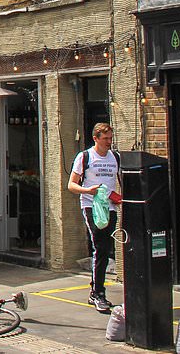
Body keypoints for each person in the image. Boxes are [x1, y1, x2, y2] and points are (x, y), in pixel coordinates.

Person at [67, 122, 121, 313]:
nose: (109, 142)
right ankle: (98, 293)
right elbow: (71, 185)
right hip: (91, 205)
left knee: (107, 248)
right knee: (100, 247)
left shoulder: (115, 157)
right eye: (105, 139)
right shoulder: (85, 157)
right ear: (95, 138)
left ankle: (96, 290)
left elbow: (117, 182)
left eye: (110, 138)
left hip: (110, 207)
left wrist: (118, 197)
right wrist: (87, 190)